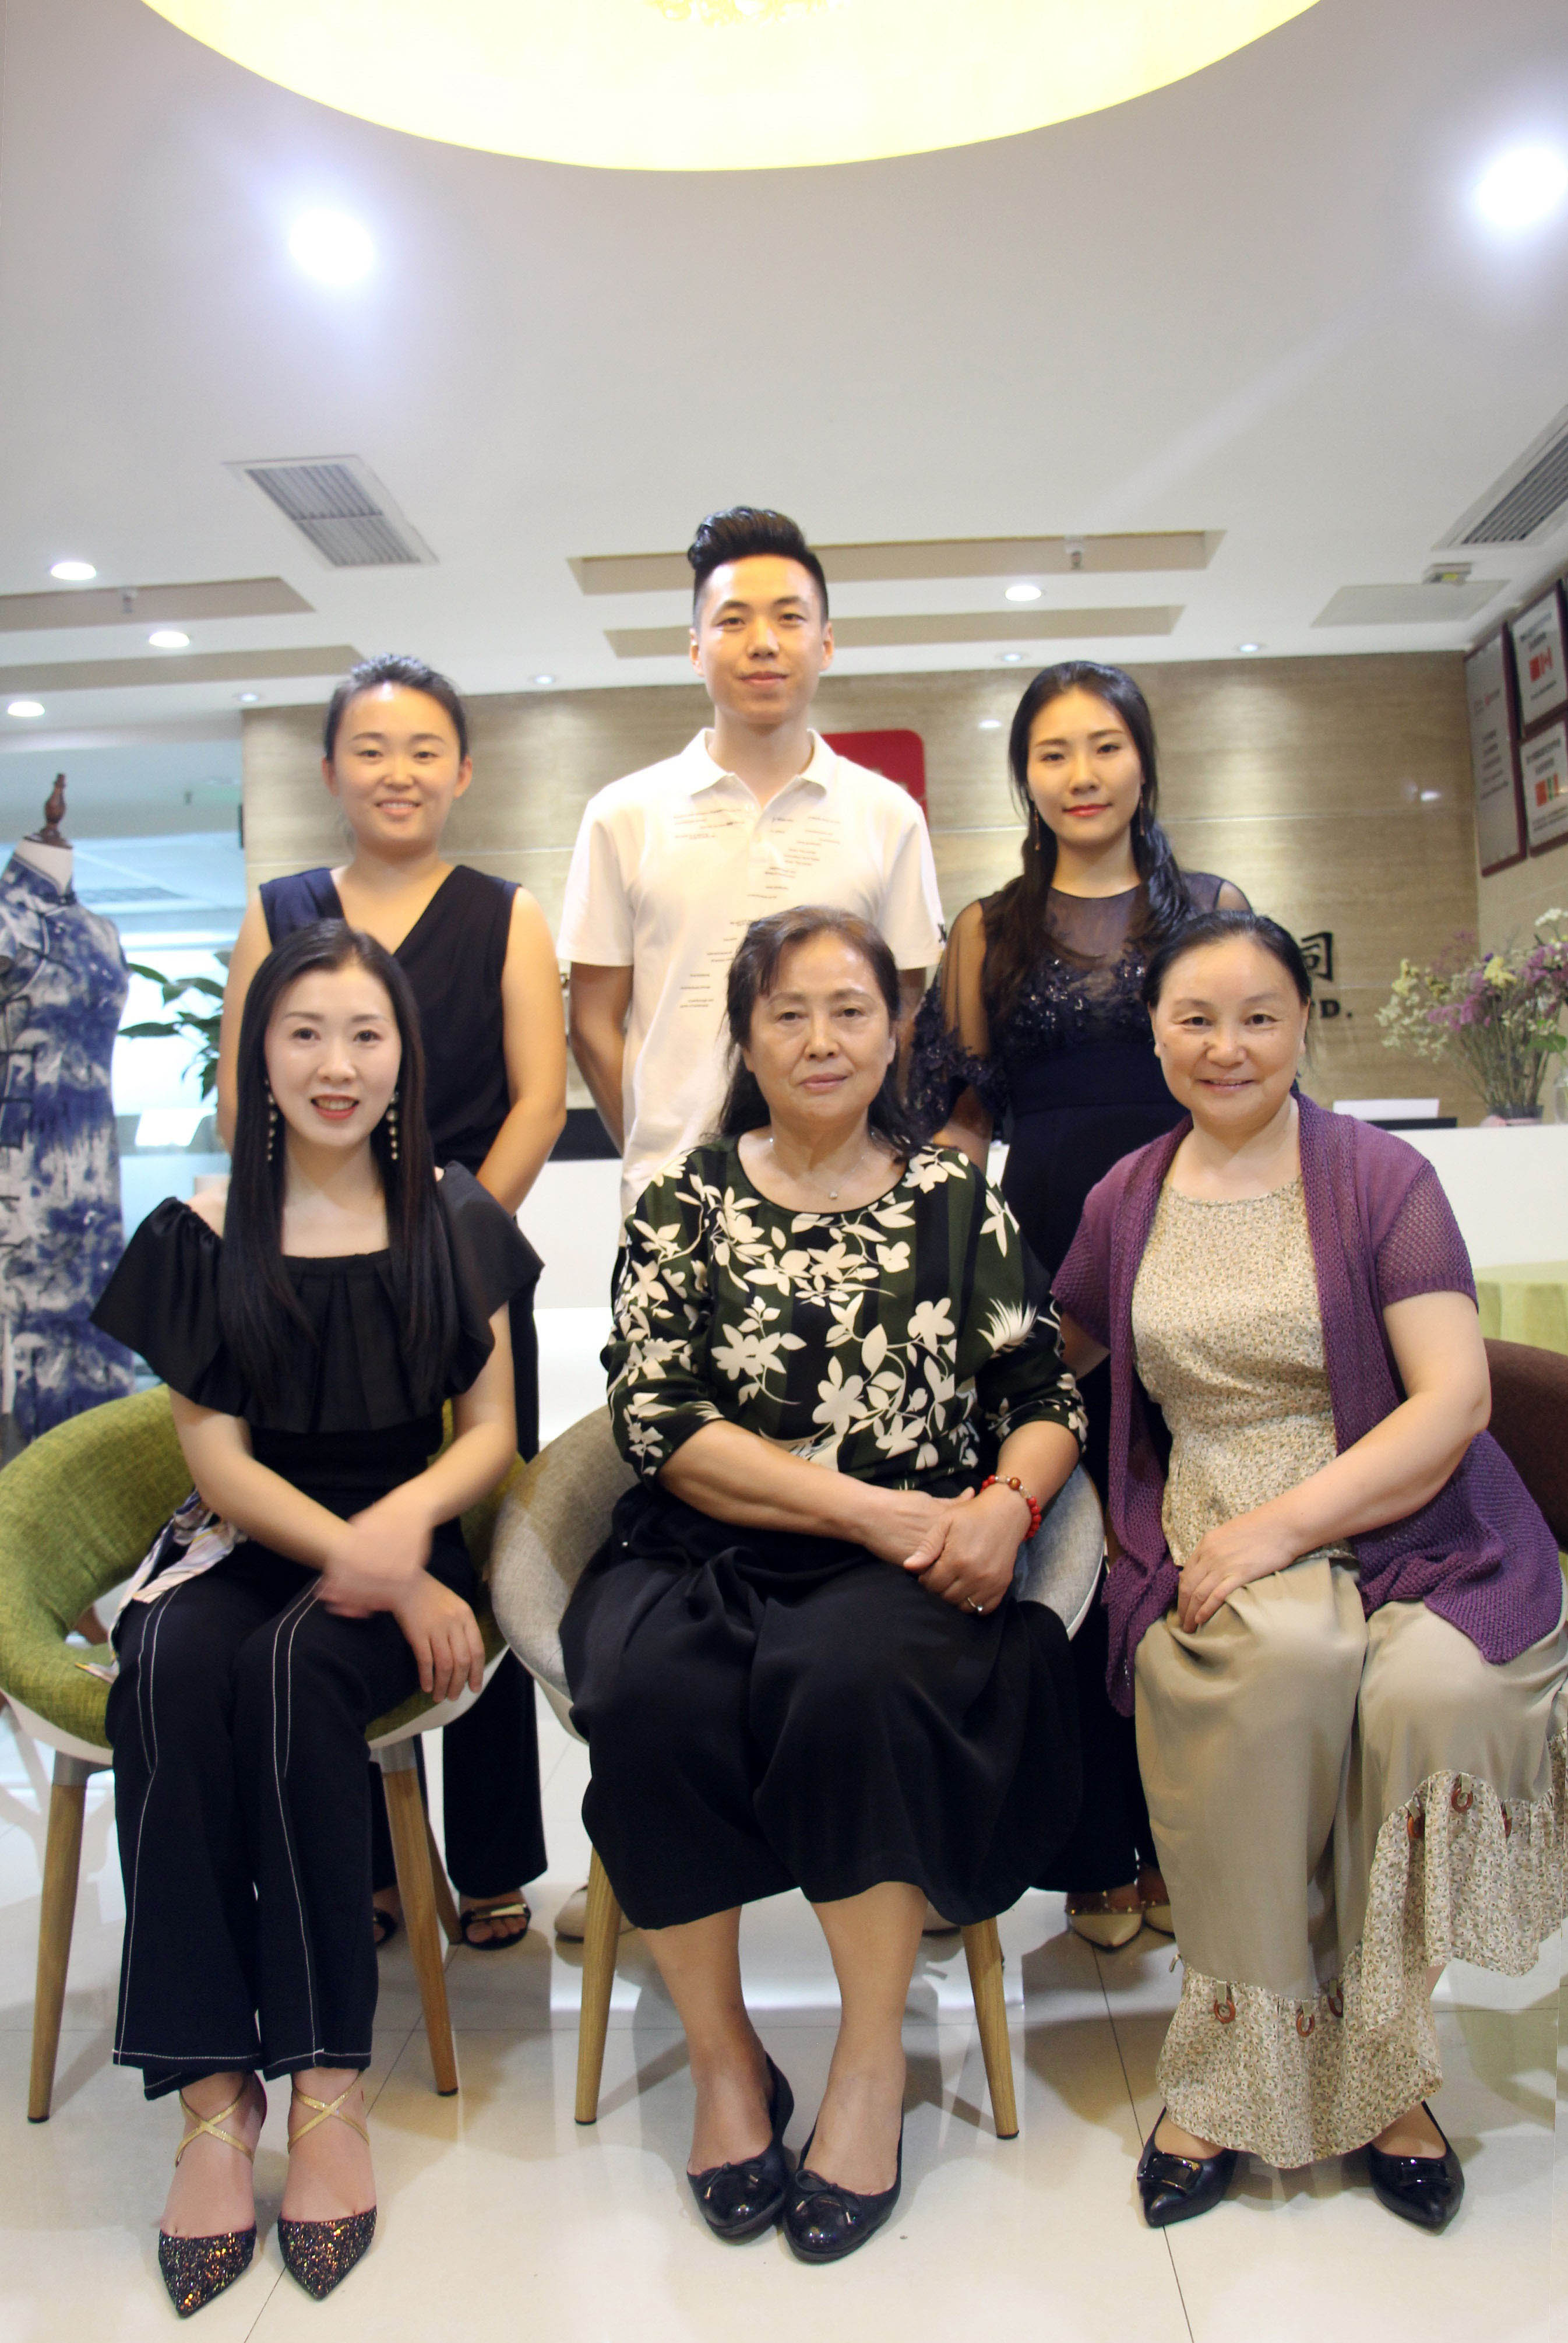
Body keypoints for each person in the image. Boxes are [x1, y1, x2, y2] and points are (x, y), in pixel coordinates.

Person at [561, 906, 1086, 2261]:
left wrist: (1006, 1505)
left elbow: (1043, 1397)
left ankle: (866, 2065)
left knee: (854, 1684)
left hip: (912, 1566)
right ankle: (726, 2063)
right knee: (648, 1693)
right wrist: (869, 1508)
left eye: (850, 1009)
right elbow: (660, 1424)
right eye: (786, 1012)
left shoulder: (955, 1201)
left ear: (894, 1030)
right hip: (710, 1545)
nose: (820, 1038)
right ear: (743, 1036)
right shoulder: (680, 1203)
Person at [1052, 909, 1568, 2233]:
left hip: (1412, 1517)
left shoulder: (1380, 1178)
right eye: (1195, 1019)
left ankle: (1386, 2070)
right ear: (1155, 1034)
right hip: (1210, 1512)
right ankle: (1227, 2079)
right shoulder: (1126, 1197)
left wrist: (1284, 1529)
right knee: (1282, 1668)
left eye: (1258, 1017)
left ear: (1300, 1026)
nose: (1226, 1047)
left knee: (1435, 1696)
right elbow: (1058, 1356)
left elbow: (1451, 1400)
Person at [93, 923, 537, 2313]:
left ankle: (327, 2082)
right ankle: (210, 2097)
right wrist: (371, 1562)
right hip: (253, 1536)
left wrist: (404, 1548)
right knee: (163, 1665)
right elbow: (217, 1463)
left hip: (407, 1533)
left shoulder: (453, 1215)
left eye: (363, 1034)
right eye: (302, 1034)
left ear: (405, 1055)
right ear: (259, 1055)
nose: (334, 1065)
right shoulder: (201, 1230)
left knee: (293, 1676)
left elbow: (491, 1432)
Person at [219, 653, 566, 1952]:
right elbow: (243, 1099)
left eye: (424, 750)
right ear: (330, 773)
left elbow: (540, 1099)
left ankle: (491, 1860)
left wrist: (448, 1245)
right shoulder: (279, 913)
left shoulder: (505, 913)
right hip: (308, 1286)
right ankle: (367, 1860)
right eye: (370, 750)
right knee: (335, 1561)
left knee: (477, 1550)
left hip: (458, 1282)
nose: (398, 772)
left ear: (463, 771)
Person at [911, 659, 1246, 1951]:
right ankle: (1093, 1852)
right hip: (1049, 1249)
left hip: (1197, 1238)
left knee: (1190, 1532)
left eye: (1104, 746)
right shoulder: (986, 929)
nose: (1082, 775)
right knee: (1076, 1545)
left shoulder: (1209, 909)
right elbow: (959, 1117)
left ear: (1143, 761)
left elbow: (1251, 1074)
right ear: (1025, 778)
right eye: (1052, 753)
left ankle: (1189, 1840)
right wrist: (936, 1258)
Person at [561, 504, 944, 1219]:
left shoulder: (889, 816)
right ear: (695, 649)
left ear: (826, 643)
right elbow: (591, 1023)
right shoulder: (623, 815)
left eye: (789, 619)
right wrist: (656, 1152)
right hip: (674, 1201)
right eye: (732, 621)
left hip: (850, 1197)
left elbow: (905, 1015)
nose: (762, 643)